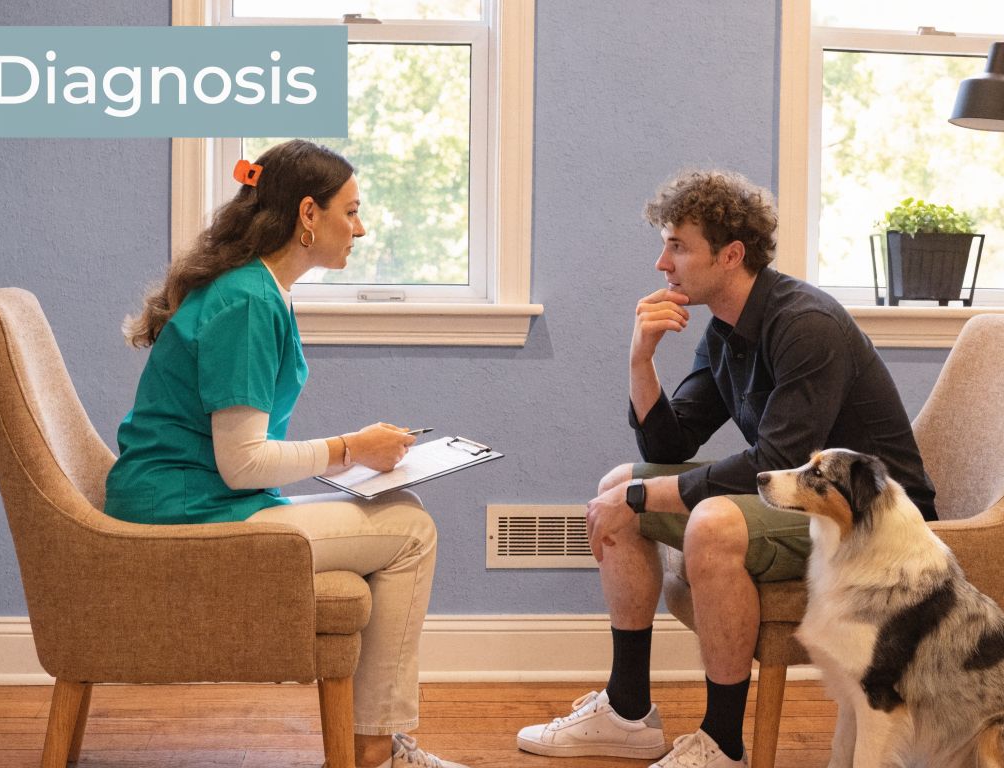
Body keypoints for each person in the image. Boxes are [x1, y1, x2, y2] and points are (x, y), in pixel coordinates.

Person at [516, 170, 937, 768]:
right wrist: (640, 360)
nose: (662, 263)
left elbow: (772, 461)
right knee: (618, 481)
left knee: (705, 521)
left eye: (678, 246)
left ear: (731, 254)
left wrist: (641, 498)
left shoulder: (805, 324)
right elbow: (672, 438)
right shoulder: (724, 329)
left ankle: (723, 744)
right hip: (803, 500)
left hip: (866, 519)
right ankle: (628, 711)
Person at [105, 140, 466, 768]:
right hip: (187, 514)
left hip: (193, 500)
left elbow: (240, 458)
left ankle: (375, 744)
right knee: (411, 529)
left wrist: (353, 457)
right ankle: (377, 752)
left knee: (399, 510)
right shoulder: (247, 300)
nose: (360, 226)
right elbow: (241, 463)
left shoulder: (253, 289)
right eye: (350, 211)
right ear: (308, 214)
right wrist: (351, 448)